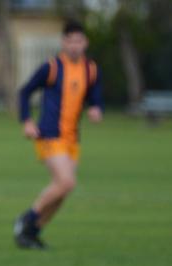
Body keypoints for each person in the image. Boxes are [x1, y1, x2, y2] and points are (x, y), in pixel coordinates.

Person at [13, 20, 103, 250]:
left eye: (79, 41)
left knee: (62, 192)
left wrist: (95, 107)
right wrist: (27, 121)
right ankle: (28, 218)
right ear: (63, 42)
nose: (74, 46)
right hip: (49, 135)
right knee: (66, 182)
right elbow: (24, 92)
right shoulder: (52, 67)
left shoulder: (90, 69)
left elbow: (94, 94)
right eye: (70, 41)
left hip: (73, 138)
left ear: (85, 42)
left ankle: (31, 234)